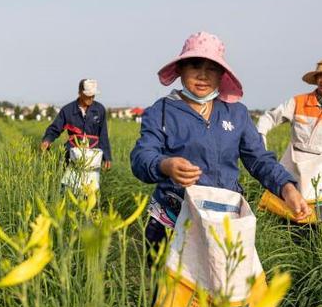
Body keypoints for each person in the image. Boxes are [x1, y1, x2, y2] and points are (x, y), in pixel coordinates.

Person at [130, 31, 310, 252]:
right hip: (171, 218)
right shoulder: (162, 111)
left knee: (223, 284)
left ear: (222, 75)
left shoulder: (236, 113)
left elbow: (259, 159)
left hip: (223, 218)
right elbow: (142, 156)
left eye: (212, 68)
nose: (203, 75)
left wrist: (286, 187)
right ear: (180, 69)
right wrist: (164, 165)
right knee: (169, 285)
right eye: (195, 65)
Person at [257, 58, 322, 195]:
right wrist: (260, 136)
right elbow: (270, 117)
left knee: (318, 213)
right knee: (286, 210)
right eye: (320, 76)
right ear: (315, 79)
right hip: (294, 167)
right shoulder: (298, 101)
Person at [40, 79, 112, 170]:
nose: (91, 98)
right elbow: (55, 128)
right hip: (71, 154)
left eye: (93, 95)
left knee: (91, 183)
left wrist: (107, 157)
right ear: (80, 93)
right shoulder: (68, 110)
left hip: (93, 156)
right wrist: (47, 140)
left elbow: (103, 134)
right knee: (69, 181)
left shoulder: (99, 110)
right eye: (88, 95)